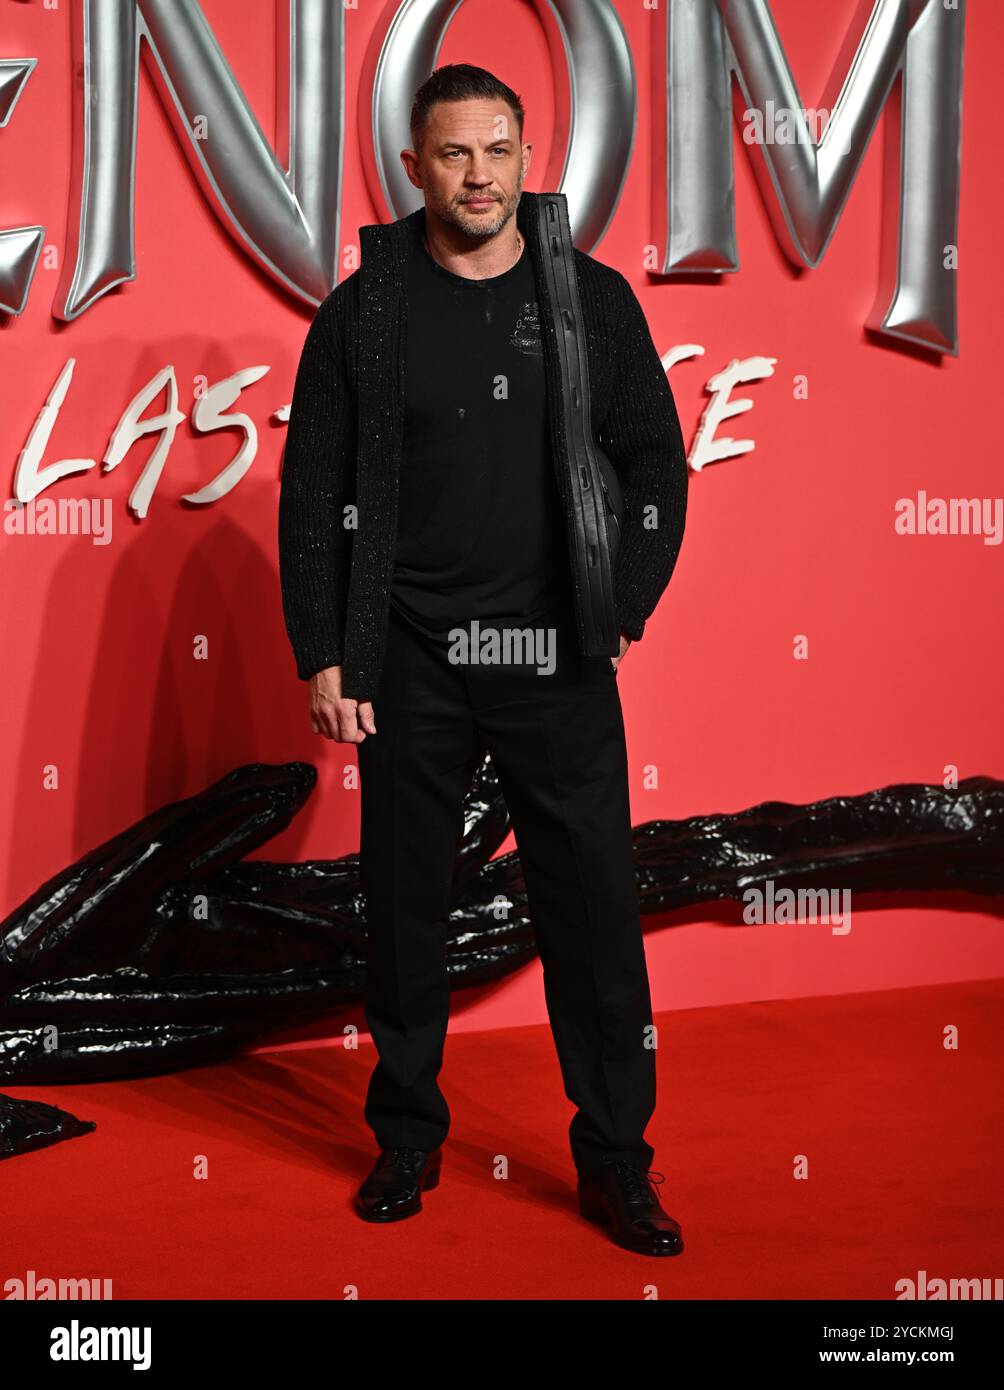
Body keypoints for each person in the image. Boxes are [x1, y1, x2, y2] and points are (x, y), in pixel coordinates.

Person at [278, 64, 688, 1256]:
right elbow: (315, 496)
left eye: (497, 150)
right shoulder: (364, 310)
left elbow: (654, 461)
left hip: (554, 650)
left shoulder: (588, 301)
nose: (477, 175)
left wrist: (628, 598)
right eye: (453, 154)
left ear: (525, 153)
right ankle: (406, 1137)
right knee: (405, 907)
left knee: (595, 912)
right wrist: (324, 652)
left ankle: (617, 1160)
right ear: (414, 166)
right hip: (409, 653)